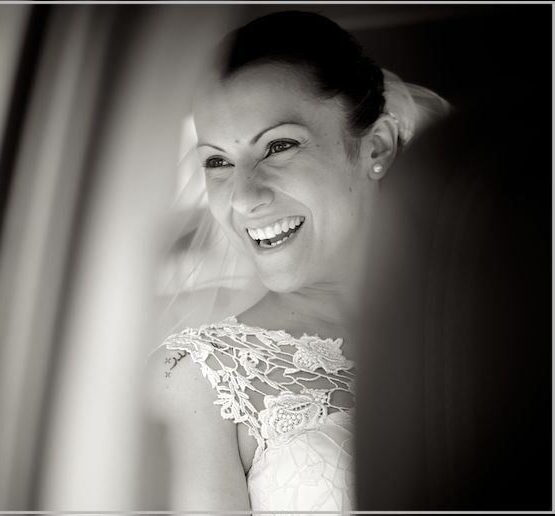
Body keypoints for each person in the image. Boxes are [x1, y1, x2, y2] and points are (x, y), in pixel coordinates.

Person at [144, 11, 449, 511]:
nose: (243, 197)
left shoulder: (491, 328)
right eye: (217, 161)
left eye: (278, 146)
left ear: (376, 146)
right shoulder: (199, 380)